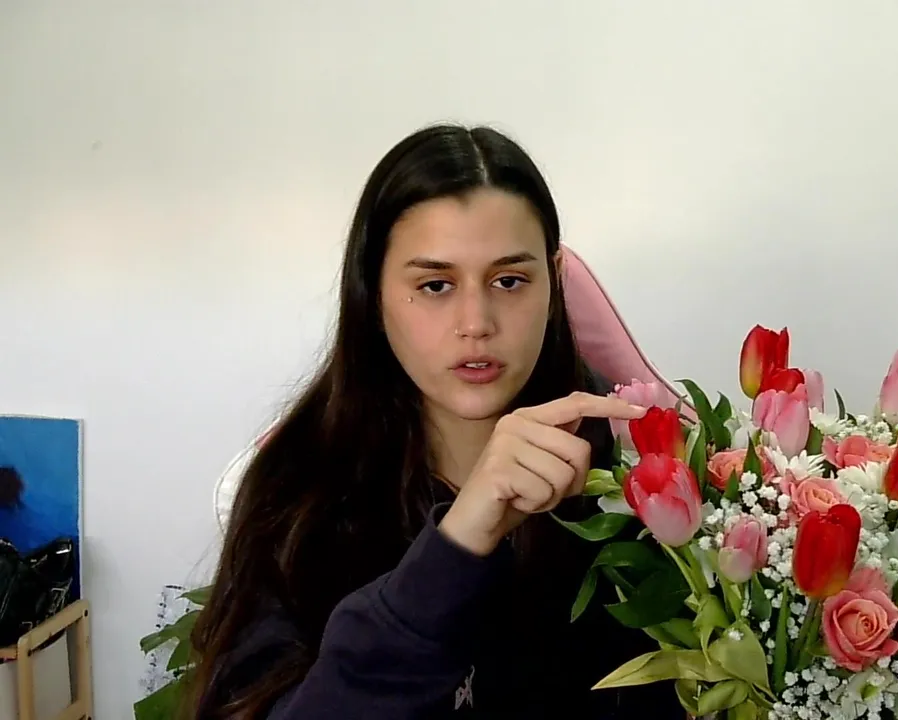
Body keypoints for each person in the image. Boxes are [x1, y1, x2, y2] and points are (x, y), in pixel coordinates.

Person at [187, 123, 688, 719]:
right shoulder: (298, 492)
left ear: (553, 284)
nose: (475, 323)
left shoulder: (642, 471)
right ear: (372, 292)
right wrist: (454, 548)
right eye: (435, 285)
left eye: (509, 281)